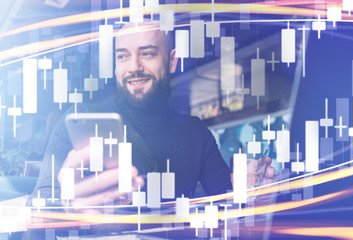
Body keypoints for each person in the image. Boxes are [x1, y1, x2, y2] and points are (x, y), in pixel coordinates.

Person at [29, 22, 276, 215]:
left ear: (171, 61)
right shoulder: (80, 117)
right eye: (122, 56)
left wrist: (252, 188)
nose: (133, 67)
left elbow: (226, 199)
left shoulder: (196, 132)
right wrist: (67, 205)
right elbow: (38, 206)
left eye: (147, 53)